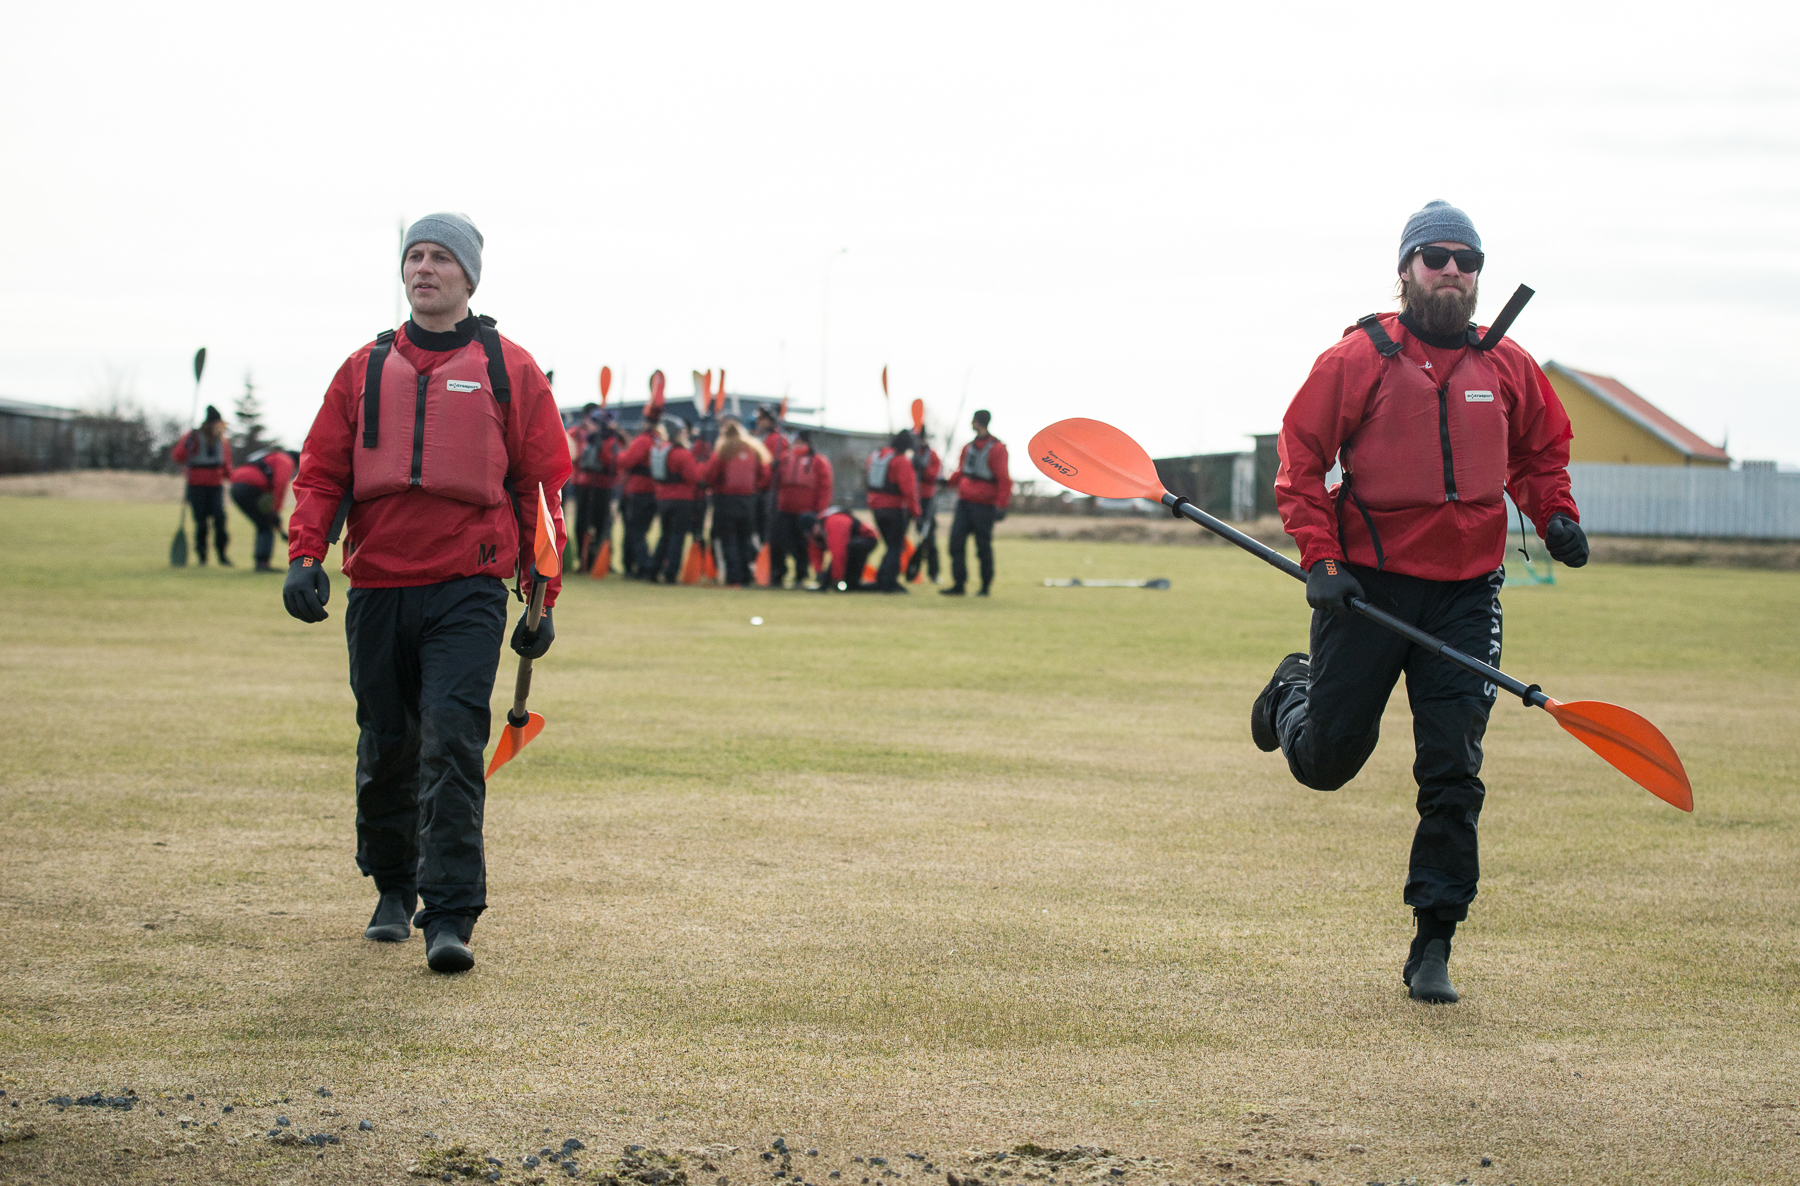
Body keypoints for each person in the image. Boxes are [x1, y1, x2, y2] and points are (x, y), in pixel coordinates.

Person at [1251, 200, 1589, 1004]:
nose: (1451, 271)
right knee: (1329, 762)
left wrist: (1556, 513)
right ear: (1405, 270)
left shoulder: (1508, 366)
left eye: (1466, 260)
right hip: (1366, 589)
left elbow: (1541, 451)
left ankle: (1434, 941)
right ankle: (1292, 691)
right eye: (1434, 257)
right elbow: (1300, 460)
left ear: (1478, 276)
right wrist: (1321, 559)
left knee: (1453, 768)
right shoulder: (1356, 359)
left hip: (1466, 597)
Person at [281, 212, 569, 975]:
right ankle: (391, 887)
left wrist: (543, 598)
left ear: (469, 277)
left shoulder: (512, 368)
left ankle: (450, 913)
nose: (424, 268)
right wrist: (306, 554)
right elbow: (320, 472)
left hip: (467, 586)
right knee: (387, 742)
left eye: (441, 257)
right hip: (378, 584)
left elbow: (543, 488)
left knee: (451, 739)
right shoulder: (361, 369)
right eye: (414, 256)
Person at [943, 409, 1010, 596]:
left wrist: (1001, 505)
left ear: (979, 422)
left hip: (984, 505)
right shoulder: (968, 447)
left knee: (982, 547)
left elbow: (1004, 479)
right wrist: (947, 482)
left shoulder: (997, 449)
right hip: (964, 503)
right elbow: (961, 472)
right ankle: (959, 584)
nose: (972, 424)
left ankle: (985, 586)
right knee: (955, 543)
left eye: (974, 421)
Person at [703, 417, 771, 586]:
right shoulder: (753, 449)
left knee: (728, 539)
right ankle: (747, 574)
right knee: (745, 538)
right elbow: (764, 475)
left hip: (726, 500)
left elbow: (711, 475)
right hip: (749, 500)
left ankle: (734, 576)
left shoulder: (723, 450)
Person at [770, 429, 832, 588]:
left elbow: (825, 488)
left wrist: (820, 512)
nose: (796, 445)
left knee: (802, 545)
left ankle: (801, 575)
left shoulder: (818, 461)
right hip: (784, 509)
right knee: (780, 541)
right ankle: (778, 573)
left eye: (800, 442)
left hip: (806, 513)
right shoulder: (783, 459)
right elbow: (770, 481)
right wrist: (772, 469)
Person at [172, 405, 234, 565]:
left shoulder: (222, 441)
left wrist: (234, 479)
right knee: (201, 522)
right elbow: (178, 456)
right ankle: (202, 555)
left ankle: (222, 554)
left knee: (220, 518)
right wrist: (188, 448)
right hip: (196, 486)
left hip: (216, 486)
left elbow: (226, 465)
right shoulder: (192, 437)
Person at [865, 430, 921, 593]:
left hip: (876, 507)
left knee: (890, 545)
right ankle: (888, 581)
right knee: (895, 546)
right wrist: (916, 512)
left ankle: (883, 577)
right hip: (894, 508)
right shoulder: (901, 461)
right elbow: (908, 489)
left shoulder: (876, 457)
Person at [649, 415, 703, 583]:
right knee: (677, 537)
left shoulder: (661, 450)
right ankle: (670, 573)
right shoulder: (683, 454)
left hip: (663, 499)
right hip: (682, 500)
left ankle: (653, 569)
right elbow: (693, 477)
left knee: (664, 536)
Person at [568, 405, 621, 573]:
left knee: (602, 524)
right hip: (585, 485)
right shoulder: (579, 435)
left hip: (603, 487)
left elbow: (615, 462)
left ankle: (600, 559)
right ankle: (584, 560)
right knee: (581, 524)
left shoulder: (610, 440)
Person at [229, 446, 298, 571]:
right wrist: (275, 512)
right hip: (249, 487)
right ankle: (262, 563)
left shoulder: (272, 456)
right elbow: (280, 485)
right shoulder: (285, 460)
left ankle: (261, 562)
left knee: (263, 524)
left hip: (236, 486)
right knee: (265, 525)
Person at [615, 418, 664, 577]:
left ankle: (642, 565)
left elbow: (628, 460)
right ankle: (641, 564)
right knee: (641, 531)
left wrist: (619, 454)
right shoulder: (660, 442)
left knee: (635, 532)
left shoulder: (643, 441)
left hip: (637, 491)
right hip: (654, 491)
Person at [808, 505, 880, 592]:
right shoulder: (818, 530)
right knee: (846, 556)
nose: (813, 534)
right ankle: (849, 584)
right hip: (854, 542)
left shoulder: (834, 521)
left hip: (866, 539)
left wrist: (836, 578)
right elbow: (815, 552)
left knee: (848, 555)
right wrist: (819, 572)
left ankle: (850, 583)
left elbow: (839, 552)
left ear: (815, 524)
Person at [904, 433, 943, 584]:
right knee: (900, 535)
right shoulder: (909, 454)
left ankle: (934, 573)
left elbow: (934, 474)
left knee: (928, 538)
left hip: (926, 501)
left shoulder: (932, 455)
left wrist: (922, 468)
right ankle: (905, 569)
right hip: (909, 499)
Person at [753, 405, 789, 546]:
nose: (758, 422)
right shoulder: (766, 438)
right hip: (762, 489)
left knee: (769, 529)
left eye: (761, 419)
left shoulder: (777, 440)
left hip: (769, 491)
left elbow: (775, 469)